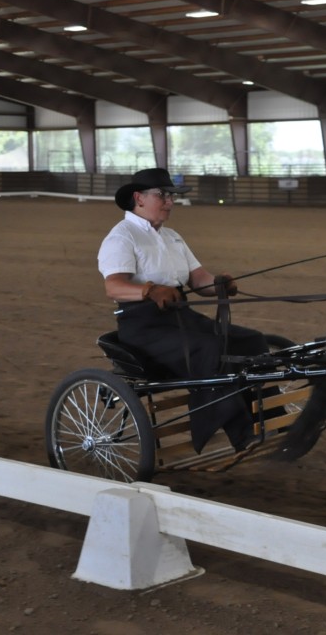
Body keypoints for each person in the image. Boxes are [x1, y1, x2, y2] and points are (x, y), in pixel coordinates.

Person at [97, 167, 269, 453]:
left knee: (251, 341)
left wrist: (220, 284)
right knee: (209, 347)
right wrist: (149, 290)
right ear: (138, 198)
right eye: (162, 195)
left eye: (171, 196)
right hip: (144, 326)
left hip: (182, 317)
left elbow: (199, 280)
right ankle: (241, 435)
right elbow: (113, 286)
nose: (170, 202)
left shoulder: (172, 236)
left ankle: (269, 420)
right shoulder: (122, 237)